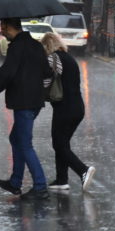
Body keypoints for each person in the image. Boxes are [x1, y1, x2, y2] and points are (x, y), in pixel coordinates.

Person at [0, 18, 53, 200]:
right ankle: (15, 182)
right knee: (16, 139)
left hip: (23, 102)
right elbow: (47, 72)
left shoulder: (16, 47)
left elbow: (6, 74)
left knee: (25, 144)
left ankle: (40, 186)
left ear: (9, 27)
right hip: (35, 102)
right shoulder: (36, 45)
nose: (2, 32)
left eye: (2, 28)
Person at [41, 32, 95, 192]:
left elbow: (46, 81)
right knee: (62, 143)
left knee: (59, 144)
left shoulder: (53, 58)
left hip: (64, 108)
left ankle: (83, 170)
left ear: (47, 46)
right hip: (77, 107)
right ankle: (61, 180)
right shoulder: (69, 58)